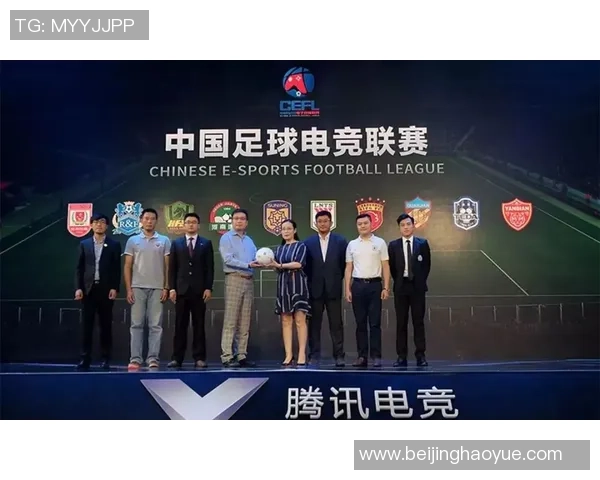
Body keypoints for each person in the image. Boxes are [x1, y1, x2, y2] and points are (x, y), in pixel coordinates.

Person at [123, 208, 171, 371]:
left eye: (152, 219)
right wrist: (129, 289)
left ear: (156, 221)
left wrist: (166, 287)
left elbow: (168, 267)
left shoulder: (164, 240)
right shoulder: (132, 240)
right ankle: (135, 359)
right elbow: (127, 266)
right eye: (146, 218)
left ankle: (153, 358)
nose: (149, 221)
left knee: (155, 325)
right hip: (137, 287)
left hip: (158, 288)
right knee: (136, 324)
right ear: (141, 220)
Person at [74, 213, 122, 370]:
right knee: (87, 326)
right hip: (88, 290)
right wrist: (78, 288)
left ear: (107, 226)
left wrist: (115, 287)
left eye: (102, 222)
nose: (99, 225)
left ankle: (105, 359)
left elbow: (116, 269)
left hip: (106, 290)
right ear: (91, 225)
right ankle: (84, 359)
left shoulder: (114, 245)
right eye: (95, 222)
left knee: (105, 326)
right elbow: (79, 268)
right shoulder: (84, 244)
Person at [168, 212, 214, 369]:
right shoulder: (177, 243)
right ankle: (177, 358)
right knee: (179, 325)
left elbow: (210, 268)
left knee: (199, 326)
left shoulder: (206, 243)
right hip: (181, 290)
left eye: (194, 222)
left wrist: (208, 287)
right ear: (184, 225)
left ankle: (199, 358)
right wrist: (172, 288)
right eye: (188, 222)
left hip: (199, 291)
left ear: (198, 225)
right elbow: (172, 268)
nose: (191, 224)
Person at [344, 213, 391, 367]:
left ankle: (376, 356)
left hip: (375, 285)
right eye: (360, 224)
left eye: (365, 223)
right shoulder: (352, 244)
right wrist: (347, 289)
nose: (363, 226)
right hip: (357, 286)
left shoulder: (380, 243)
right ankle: (362, 356)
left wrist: (386, 287)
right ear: (357, 226)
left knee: (375, 323)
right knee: (360, 323)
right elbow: (348, 268)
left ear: (371, 224)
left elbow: (385, 266)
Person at [304, 210, 348, 366]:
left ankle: (339, 356)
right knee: (314, 325)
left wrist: (335, 279)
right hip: (314, 289)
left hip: (333, 288)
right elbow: (306, 267)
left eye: (325, 221)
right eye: (320, 221)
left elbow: (344, 265)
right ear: (315, 224)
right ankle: (314, 355)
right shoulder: (308, 243)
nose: (323, 224)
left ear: (331, 223)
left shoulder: (340, 241)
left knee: (336, 325)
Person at [219, 208, 261, 367]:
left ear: (246, 222)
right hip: (234, 278)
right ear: (232, 221)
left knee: (244, 321)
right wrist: (248, 265)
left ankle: (241, 355)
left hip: (248, 280)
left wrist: (266, 261)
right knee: (231, 320)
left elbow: (257, 258)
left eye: (242, 219)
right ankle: (227, 356)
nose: (239, 221)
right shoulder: (226, 238)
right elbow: (228, 260)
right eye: (236, 218)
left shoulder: (249, 240)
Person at [388, 213, 431, 367]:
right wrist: (401, 280)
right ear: (399, 228)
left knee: (418, 322)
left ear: (413, 226)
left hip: (417, 288)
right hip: (401, 287)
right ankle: (401, 356)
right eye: (402, 225)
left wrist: (419, 280)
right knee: (401, 323)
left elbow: (426, 266)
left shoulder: (422, 244)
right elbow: (392, 268)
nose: (405, 227)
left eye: (408, 224)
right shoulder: (393, 245)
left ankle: (421, 355)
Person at [270, 219, 310, 366]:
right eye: (283, 229)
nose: (286, 231)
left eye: (288, 228)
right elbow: (275, 266)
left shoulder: (300, 246)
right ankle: (288, 355)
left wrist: (279, 265)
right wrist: (264, 263)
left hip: (297, 284)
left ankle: (302, 354)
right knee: (286, 321)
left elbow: (298, 263)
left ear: (294, 230)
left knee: (300, 320)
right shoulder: (279, 249)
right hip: (283, 286)